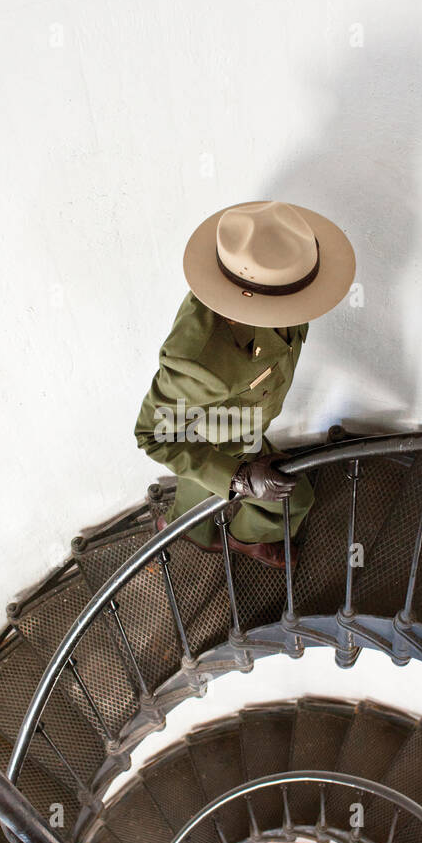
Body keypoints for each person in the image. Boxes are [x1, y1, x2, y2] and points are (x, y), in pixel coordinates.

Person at [134, 200, 356, 570]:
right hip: (219, 428)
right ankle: (247, 539)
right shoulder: (199, 362)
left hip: (241, 423)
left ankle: (185, 528)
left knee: (198, 486)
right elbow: (153, 435)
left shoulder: (279, 280)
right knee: (295, 500)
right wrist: (239, 478)